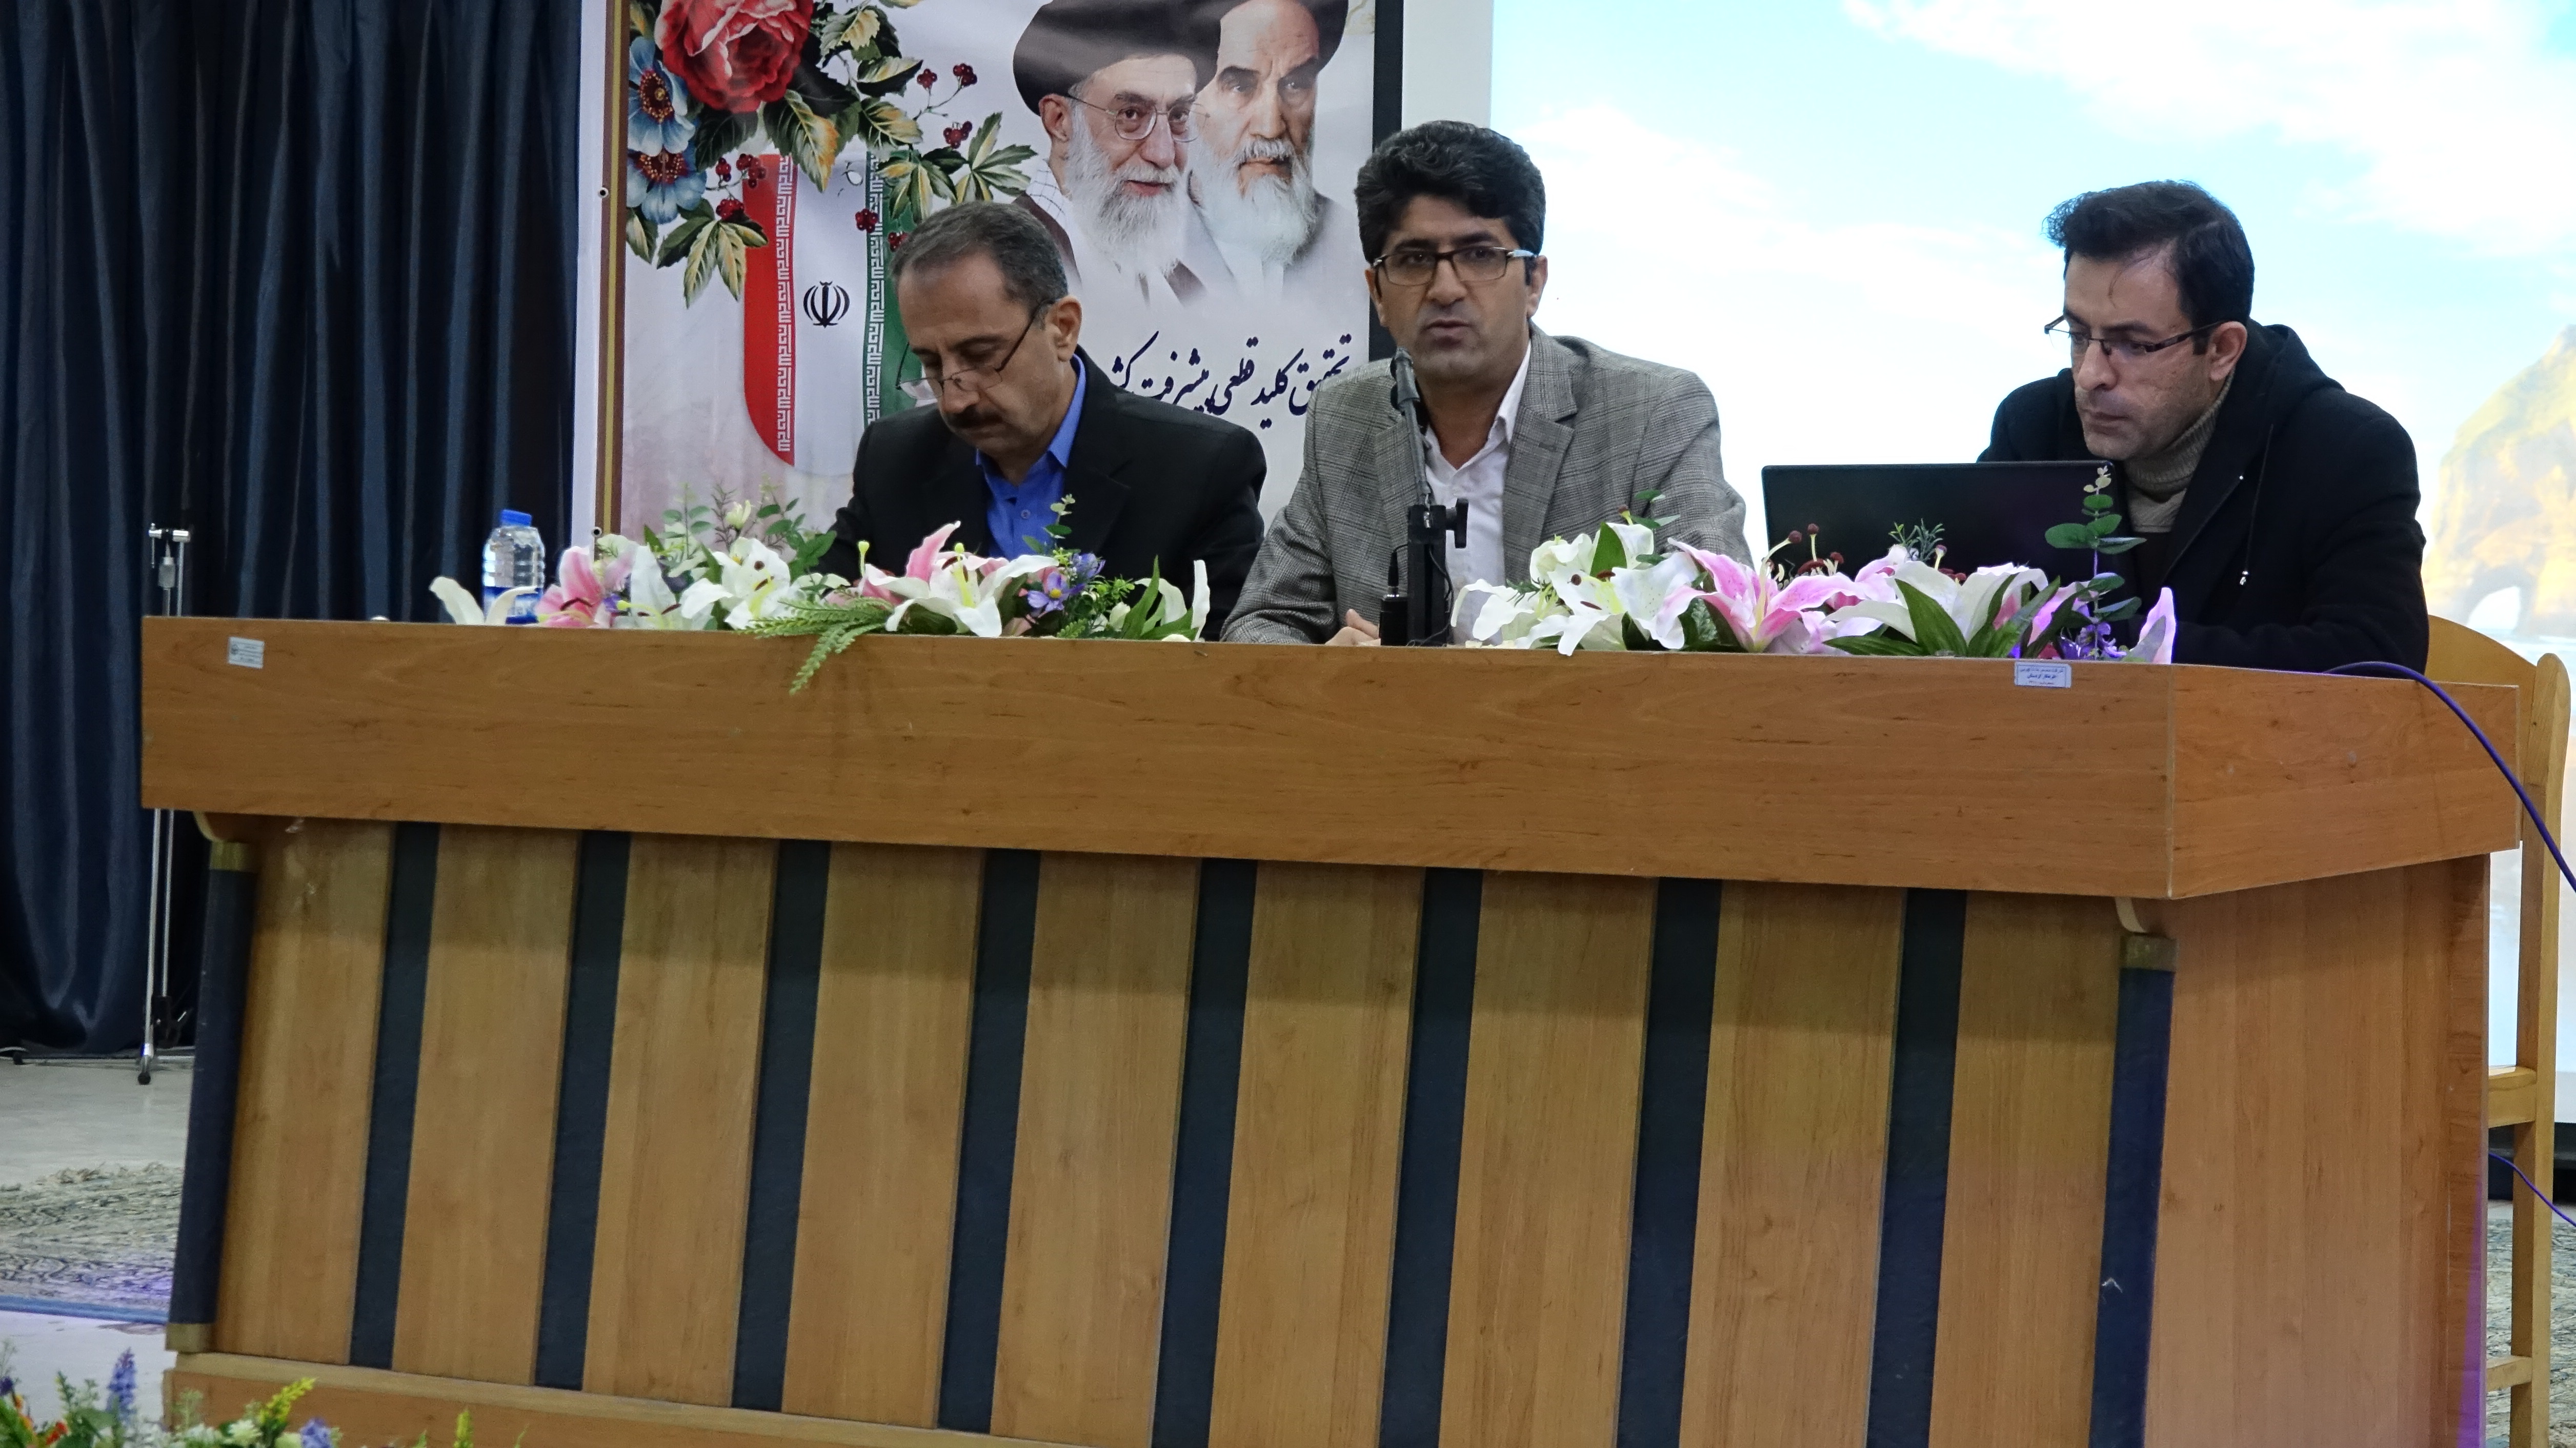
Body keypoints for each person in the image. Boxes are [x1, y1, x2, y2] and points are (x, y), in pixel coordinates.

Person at [1222, 121, 1749, 645]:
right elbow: (1257, 623)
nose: (1445, 289)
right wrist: (1333, 669)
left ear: (1533, 282)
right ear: (1377, 293)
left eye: (1479, 255)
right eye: (1414, 259)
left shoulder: (1652, 414)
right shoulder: (1346, 416)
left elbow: (1717, 622)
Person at [1983, 180, 2427, 671]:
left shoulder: (2348, 450)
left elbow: (2376, 660)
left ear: (2221, 350)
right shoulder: (2032, 427)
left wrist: (2114, 648)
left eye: (2134, 345)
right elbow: (1963, 617)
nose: (2090, 375)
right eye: (2078, 334)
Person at [817, 203, 1266, 633]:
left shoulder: (1201, 469)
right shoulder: (894, 460)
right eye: (932, 365)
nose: (954, 400)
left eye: (981, 357)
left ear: (1062, 329)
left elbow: (1229, 661)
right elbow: (817, 613)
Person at [1012, 0, 1216, 306]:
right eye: (1131, 114)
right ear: (1061, 122)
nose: (1163, 155)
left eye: (1178, 116)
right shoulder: (1000, 264)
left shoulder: (1185, 290)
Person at [1183, 0, 1355, 303]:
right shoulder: (1138, 249)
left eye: (1296, 84)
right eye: (1240, 86)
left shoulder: (1355, 242)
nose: (1271, 126)